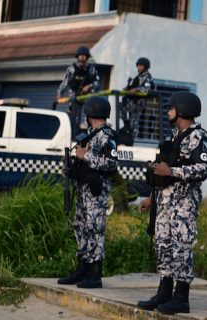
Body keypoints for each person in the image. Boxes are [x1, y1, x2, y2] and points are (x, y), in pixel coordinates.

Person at [136, 91, 207, 315]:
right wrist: (152, 197)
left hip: (184, 202)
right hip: (164, 201)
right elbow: (163, 171)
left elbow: (202, 169)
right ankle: (164, 293)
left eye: (170, 109)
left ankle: (181, 297)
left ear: (181, 111)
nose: (167, 112)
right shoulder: (173, 136)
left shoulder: (198, 136)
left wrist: (172, 171)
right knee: (164, 246)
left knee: (181, 247)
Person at [57, 96, 118, 289]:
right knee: (80, 227)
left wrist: (87, 155)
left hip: (96, 191)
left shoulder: (106, 136)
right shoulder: (90, 134)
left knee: (95, 229)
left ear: (91, 113)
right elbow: (80, 158)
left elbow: (112, 164)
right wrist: (69, 167)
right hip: (83, 190)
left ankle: (94, 274)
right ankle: (82, 269)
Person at [57, 46, 100, 139]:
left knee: (91, 112)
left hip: (86, 96)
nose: (82, 57)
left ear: (87, 57)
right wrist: (60, 93)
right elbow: (65, 82)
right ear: (77, 56)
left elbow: (97, 81)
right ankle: (74, 137)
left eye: (84, 55)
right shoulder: (72, 68)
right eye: (80, 55)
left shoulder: (91, 69)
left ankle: (90, 133)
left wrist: (89, 86)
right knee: (74, 118)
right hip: (74, 96)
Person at [119, 57, 154, 142]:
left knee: (134, 124)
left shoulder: (147, 77)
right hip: (130, 101)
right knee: (120, 106)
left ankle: (132, 140)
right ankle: (126, 125)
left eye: (141, 65)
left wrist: (137, 90)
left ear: (145, 67)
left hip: (138, 103)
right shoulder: (137, 76)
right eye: (138, 65)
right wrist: (127, 88)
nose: (139, 67)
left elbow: (147, 88)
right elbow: (133, 86)